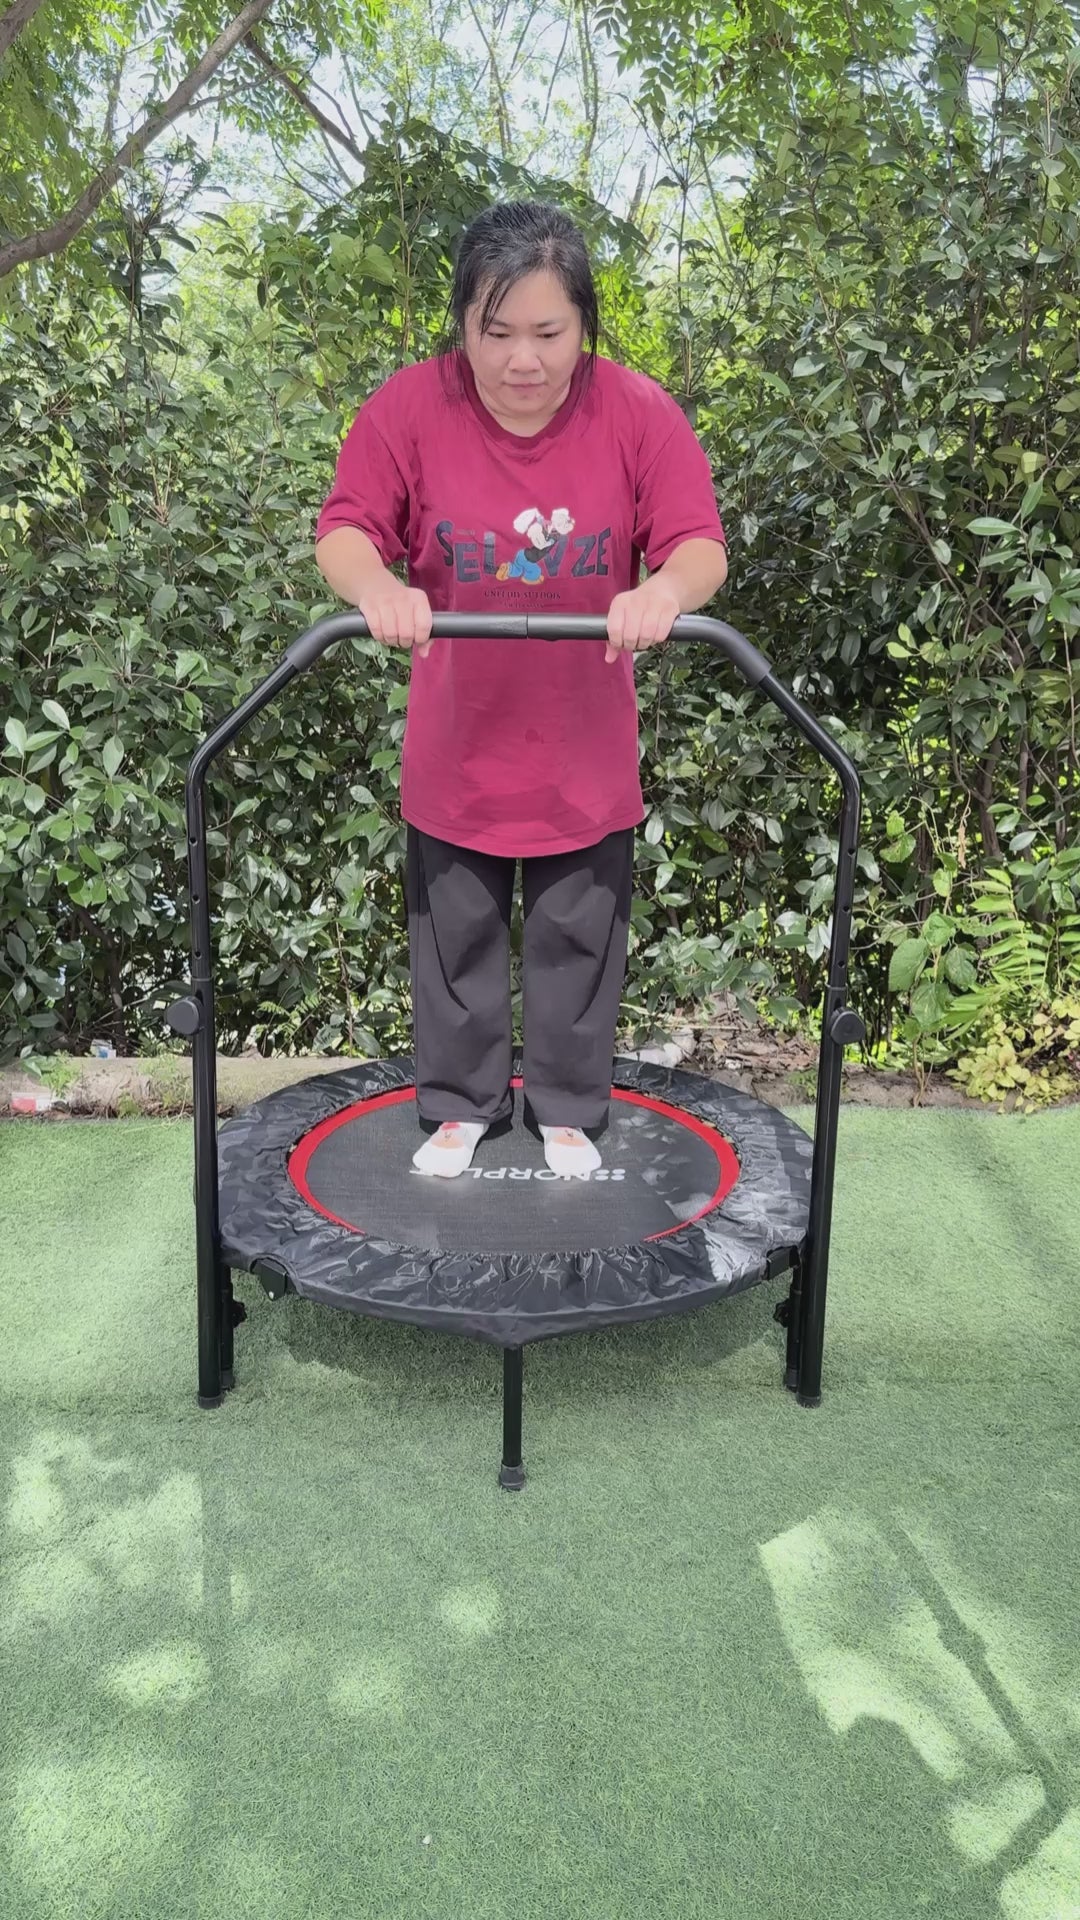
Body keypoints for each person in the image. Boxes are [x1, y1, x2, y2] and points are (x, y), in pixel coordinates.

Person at [315, 200, 728, 1179]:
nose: (522, 360)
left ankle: (569, 1109)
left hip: (581, 758)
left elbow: (698, 546)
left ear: (584, 327)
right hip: (458, 751)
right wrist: (378, 587)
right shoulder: (410, 408)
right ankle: (461, 1106)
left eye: (548, 332)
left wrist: (661, 591)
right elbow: (345, 528)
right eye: (497, 332)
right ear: (462, 323)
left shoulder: (637, 412)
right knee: (453, 948)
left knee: (575, 949)